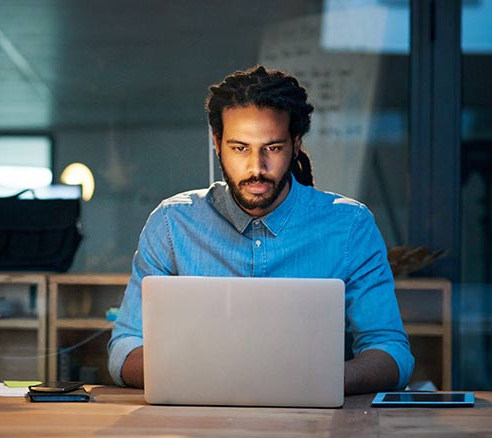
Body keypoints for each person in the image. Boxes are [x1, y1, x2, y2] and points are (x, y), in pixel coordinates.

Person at [107, 65, 413, 395]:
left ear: (296, 144)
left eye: (273, 148)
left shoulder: (350, 226)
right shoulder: (171, 224)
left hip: (313, 422)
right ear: (217, 142)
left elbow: (391, 350)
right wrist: (198, 375)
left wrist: (326, 380)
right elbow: (125, 347)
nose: (256, 168)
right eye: (240, 148)